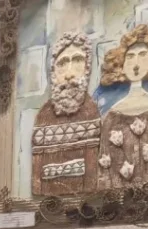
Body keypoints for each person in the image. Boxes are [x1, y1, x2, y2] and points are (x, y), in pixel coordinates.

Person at [97, 25, 148, 188]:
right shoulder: (112, 115)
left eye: (142, 55)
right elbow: (105, 168)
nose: (136, 63)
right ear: (121, 63)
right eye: (130, 57)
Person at [31, 32, 102, 197]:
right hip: (48, 202)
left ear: (87, 67)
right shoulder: (44, 115)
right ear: (53, 71)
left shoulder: (90, 110)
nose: (69, 74)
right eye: (62, 63)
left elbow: (92, 174)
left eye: (77, 61)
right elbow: (37, 177)